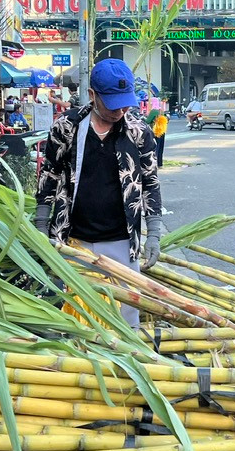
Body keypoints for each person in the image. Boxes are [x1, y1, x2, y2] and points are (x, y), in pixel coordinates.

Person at [35, 59, 163, 328]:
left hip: (121, 241)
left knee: (126, 320)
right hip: (73, 240)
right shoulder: (67, 127)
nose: (120, 110)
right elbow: (50, 174)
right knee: (72, 317)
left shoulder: (139, 132)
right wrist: (40, 223)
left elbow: (150, 183)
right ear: (93, 96)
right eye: (112, 104)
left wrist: (154, 234)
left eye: (124, 102)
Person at [145, 99, 169, 167]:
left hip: (155, 131)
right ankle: (160, 164)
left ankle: (154, 164)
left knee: (155, 148)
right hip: (162, 131)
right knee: (160, 148)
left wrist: (144, 118)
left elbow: (148, 121)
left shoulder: (153, 111)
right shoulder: (161, 111)